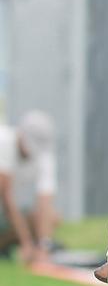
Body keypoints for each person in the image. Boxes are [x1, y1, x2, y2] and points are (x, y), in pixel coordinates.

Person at [0, 110, 59, 265]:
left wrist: (43, 247)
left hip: (5, 217)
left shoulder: (45, 157)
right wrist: (26, 242)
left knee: (53, 218)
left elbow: (45, 203)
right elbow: (6, 198)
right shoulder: (4, 141)